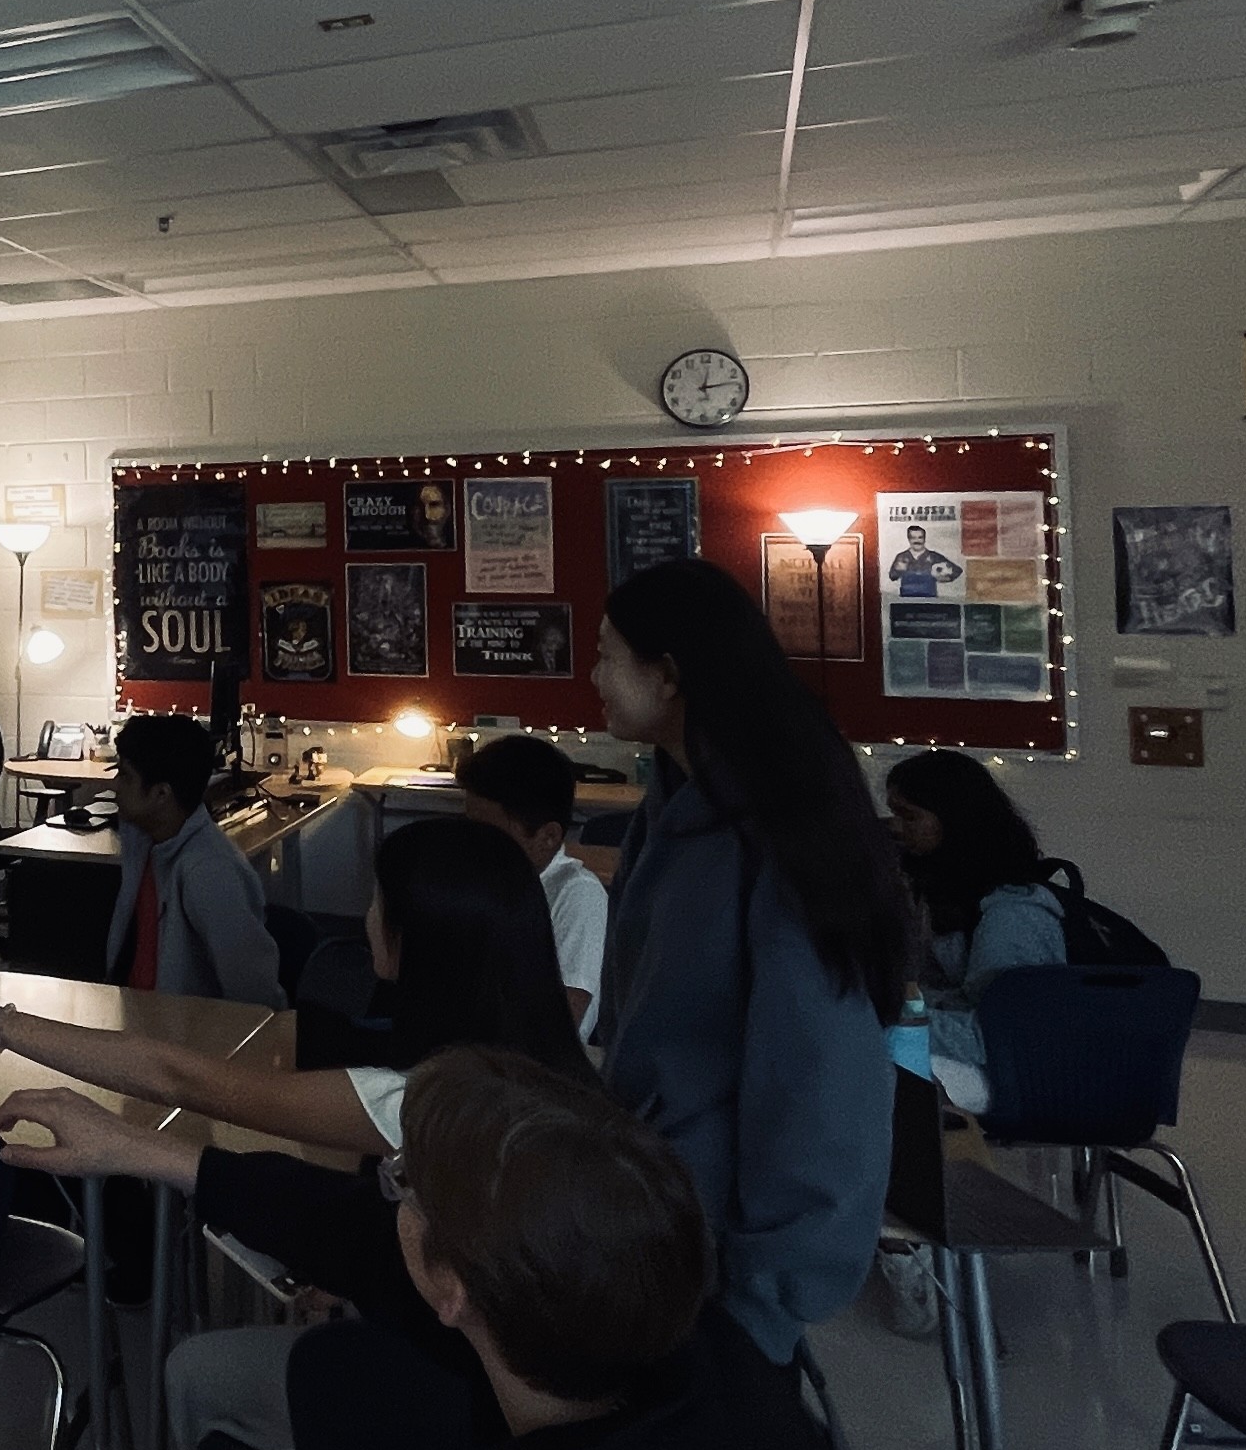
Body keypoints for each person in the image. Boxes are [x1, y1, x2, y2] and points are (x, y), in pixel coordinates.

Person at [0, 819, 582, 1450]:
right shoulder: (544, 1076)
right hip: (444, 1389)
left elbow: (181, 1080)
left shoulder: (434, 1104)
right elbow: (370, 1239)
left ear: (416, 941)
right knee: (198, 1370)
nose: (364, 915)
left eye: (376, 900)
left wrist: (4, 1031)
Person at [0, 1047, 841, 1450]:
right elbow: (348, 1230)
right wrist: (145, 1152)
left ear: (453, 1289)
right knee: (202, 1372)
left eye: (403, 1184)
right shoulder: (628, 1306)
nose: (390, 1197)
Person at [590, 556, 908, 1367]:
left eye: (605, 656)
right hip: (656, 1214)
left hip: (721, 1257)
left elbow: (820, 1077)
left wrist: (766, 1302)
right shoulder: (670, 806)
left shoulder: (775, 833)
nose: (592, 678)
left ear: (668, 676)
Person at [881, 749, 1066, 1115]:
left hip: (1010, 1076)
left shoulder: (1012, 914)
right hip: (984, 1064)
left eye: (909, 816)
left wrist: (887, 1019)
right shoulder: (952, 899)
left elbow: (998, 1034)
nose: (896, 828)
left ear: (953, 820)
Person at [99, 713, 286, 1008]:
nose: (115, 785)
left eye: (125, 775)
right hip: (140, 1019)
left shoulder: (209, 872)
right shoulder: (146, 843)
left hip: (182, 1031)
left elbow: (254, 998)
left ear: (161, 793)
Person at [455, 733, 607, 1039]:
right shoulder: (490, 883)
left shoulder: (578, 895)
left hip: (530, 1062)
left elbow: (561, 1021)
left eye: (490, 836)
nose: (473, 846)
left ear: (547, 837)